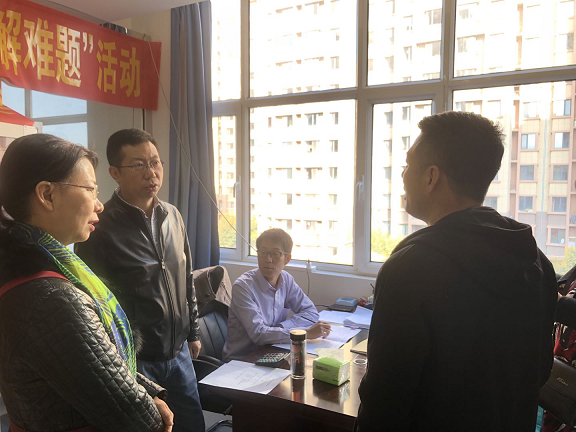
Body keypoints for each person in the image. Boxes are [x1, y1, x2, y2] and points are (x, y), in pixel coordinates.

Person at [355, 111, 557, 432]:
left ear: (431, 177)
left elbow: (383, 405)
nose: (403, 175)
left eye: (407, 165)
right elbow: (539, 371)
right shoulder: (537, 263)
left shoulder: (409, 269)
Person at [0, 134, 173, 432]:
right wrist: (150, 405)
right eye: (90, 190)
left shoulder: (46, 267)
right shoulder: (49, 299)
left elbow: (94, 361)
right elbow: (137, 419)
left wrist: (149, 391)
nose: (98, 205)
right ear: (47, 195)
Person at [75, 129, 204, 432]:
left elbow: (186, 277)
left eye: (155, 162)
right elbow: (94, 303)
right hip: (137, 361)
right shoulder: (99, 228)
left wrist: (194, 332)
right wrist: (119, 362)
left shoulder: (172, 216)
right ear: (115, 173)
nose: (151, 173)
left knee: (192, 425)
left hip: (180, 353)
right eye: (138, 165)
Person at [223, 228, 331, 361]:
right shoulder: (243, 287)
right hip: (241, 361)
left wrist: (281, 327)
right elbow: (259, 334)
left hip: (273, 352)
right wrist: (304, 333)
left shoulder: (286, 280)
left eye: (275, 254)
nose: (268, 259)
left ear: (287, 259)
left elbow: (310, 312)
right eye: (263, 253)